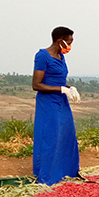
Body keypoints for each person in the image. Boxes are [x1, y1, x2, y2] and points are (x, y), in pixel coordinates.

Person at [32, 26, 81, 185]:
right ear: (60, 41)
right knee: (50, 136)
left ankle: (66, 171)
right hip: (48, 103)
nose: (70, 45)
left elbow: (57, 79)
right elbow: (36, 84)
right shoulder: (42, 56)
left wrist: (68, 88)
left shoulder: (61, 56)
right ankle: (47, 175)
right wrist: (60, 89)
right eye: (69, 42)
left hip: (61, 101)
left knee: (66, 135)